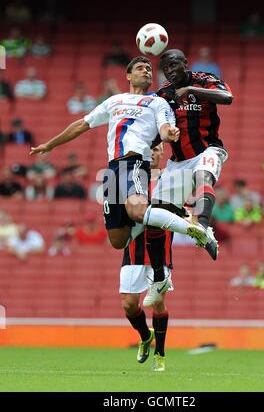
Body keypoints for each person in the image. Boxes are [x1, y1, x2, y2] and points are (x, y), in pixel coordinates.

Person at [30, 56, 205, 294]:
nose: (146, 71)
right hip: (112, 172)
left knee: (138, 210)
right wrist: (50, 145)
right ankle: (161, 221)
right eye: (140, 68)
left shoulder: (157, 103)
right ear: (128, 76)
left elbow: (164, 128)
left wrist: (168, 132)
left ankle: (192, 229)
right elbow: (82, 124)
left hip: (134, 163)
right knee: (118, 240)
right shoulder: (114, 101)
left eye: (149, 69)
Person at [153, 49, 233, 263]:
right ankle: (162, 276)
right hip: (178, 162)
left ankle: (204, 227)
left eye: (173, 65)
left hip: (208, 149)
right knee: (156, 218)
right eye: (166, 68)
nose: (170, 71)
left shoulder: (204, 79)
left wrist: (191, 90)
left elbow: (227, 97)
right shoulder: (164, 94)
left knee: (203, 176)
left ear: (185, 63)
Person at [120, 144, 172, 372]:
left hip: (160, 252)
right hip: (133, 251)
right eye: (150, 149)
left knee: (158, 302)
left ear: (163, 153)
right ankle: (144, 335)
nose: (153, 153)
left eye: (158, 149)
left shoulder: (171, 179)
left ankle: (160, 354)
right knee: (129, 305)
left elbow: (184, 209)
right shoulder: (133, 180)